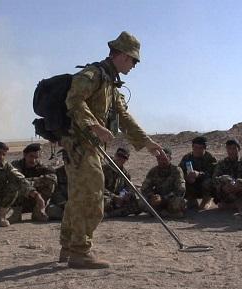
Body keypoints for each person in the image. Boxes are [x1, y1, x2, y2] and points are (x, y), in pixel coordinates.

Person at [59, 31, 164, 269]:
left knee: (78, 197)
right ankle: (80, 251)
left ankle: (68, 246)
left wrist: (146, 142)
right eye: (134, 60)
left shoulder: (109, 82)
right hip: (80, 145)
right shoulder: (92, 75)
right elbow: (74, 100)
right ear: (123, 56)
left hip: (90, 146)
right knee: (93, 196)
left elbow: (124, 117)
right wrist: (95, 126)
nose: (134, 65)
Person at [10, 143, 57, 222]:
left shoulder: (42, 167)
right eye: (31, 156)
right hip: (20, 200)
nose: (33, 160)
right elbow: (16, 180)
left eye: (36, 157)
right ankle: (16, 214)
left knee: (50, 182)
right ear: (25, 155)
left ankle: (37, 212)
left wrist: (29, 182)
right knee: (14, 183)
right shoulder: (16, 165)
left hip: (37, 202)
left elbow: (53, 178)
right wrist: (37, 187)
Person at [140, 148, 186, 218]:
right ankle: (164, 213)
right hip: (157, 200)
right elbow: (144, 188)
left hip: (170, 199)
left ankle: (160, 213)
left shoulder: (176, 170)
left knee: (178, 202)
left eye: (164, 158)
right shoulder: (153, 171)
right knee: (141, 202)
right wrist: (152, 196)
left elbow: (180, 190)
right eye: (159, 158)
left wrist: (164, 198)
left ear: (170, 158)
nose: (162, 161)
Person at [212, 139, 242, 217]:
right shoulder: (222, 163)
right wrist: (222, 179)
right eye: (229, 149)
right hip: (226, 192)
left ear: (238, 149)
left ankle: (230, 205)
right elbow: (214, 179)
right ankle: (238, 205)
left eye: (234, 148)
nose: (231, 151)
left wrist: (241, 183)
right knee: (225, 185)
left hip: (241, 191)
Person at [179, 136, 217, 210]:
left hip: (204, 184)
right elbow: (179, 172)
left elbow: (214, 173)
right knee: (182, 182)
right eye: (195, 147)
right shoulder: (187, 157)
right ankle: (191, 199)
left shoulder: (210, 158)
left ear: (205, 148)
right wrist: (187, 177)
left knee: (208, 181)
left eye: (201, 148)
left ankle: (207, 200)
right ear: (192, 147)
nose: (198, 150)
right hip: (192, 184)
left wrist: (199, 174)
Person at [102, 147, 140, 217]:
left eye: (124, 157)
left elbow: (128, 188)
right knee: (104, 201)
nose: (121, 158)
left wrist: (126, 195)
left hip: (119, 199)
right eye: (119, 155)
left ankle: (109, 214)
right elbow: (99, 187)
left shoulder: (126, 174)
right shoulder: (104, 169)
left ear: (126, 159)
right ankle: (113, 213)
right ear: (115, 155)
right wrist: (114, 197)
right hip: (107, 197)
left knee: (135, 203)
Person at [47, 150, 69, 220]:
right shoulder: (58, 173)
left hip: (80, 203)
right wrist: (65, 204)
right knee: (51, 210)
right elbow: (55, 192)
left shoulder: (83, 172)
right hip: (63, 204)